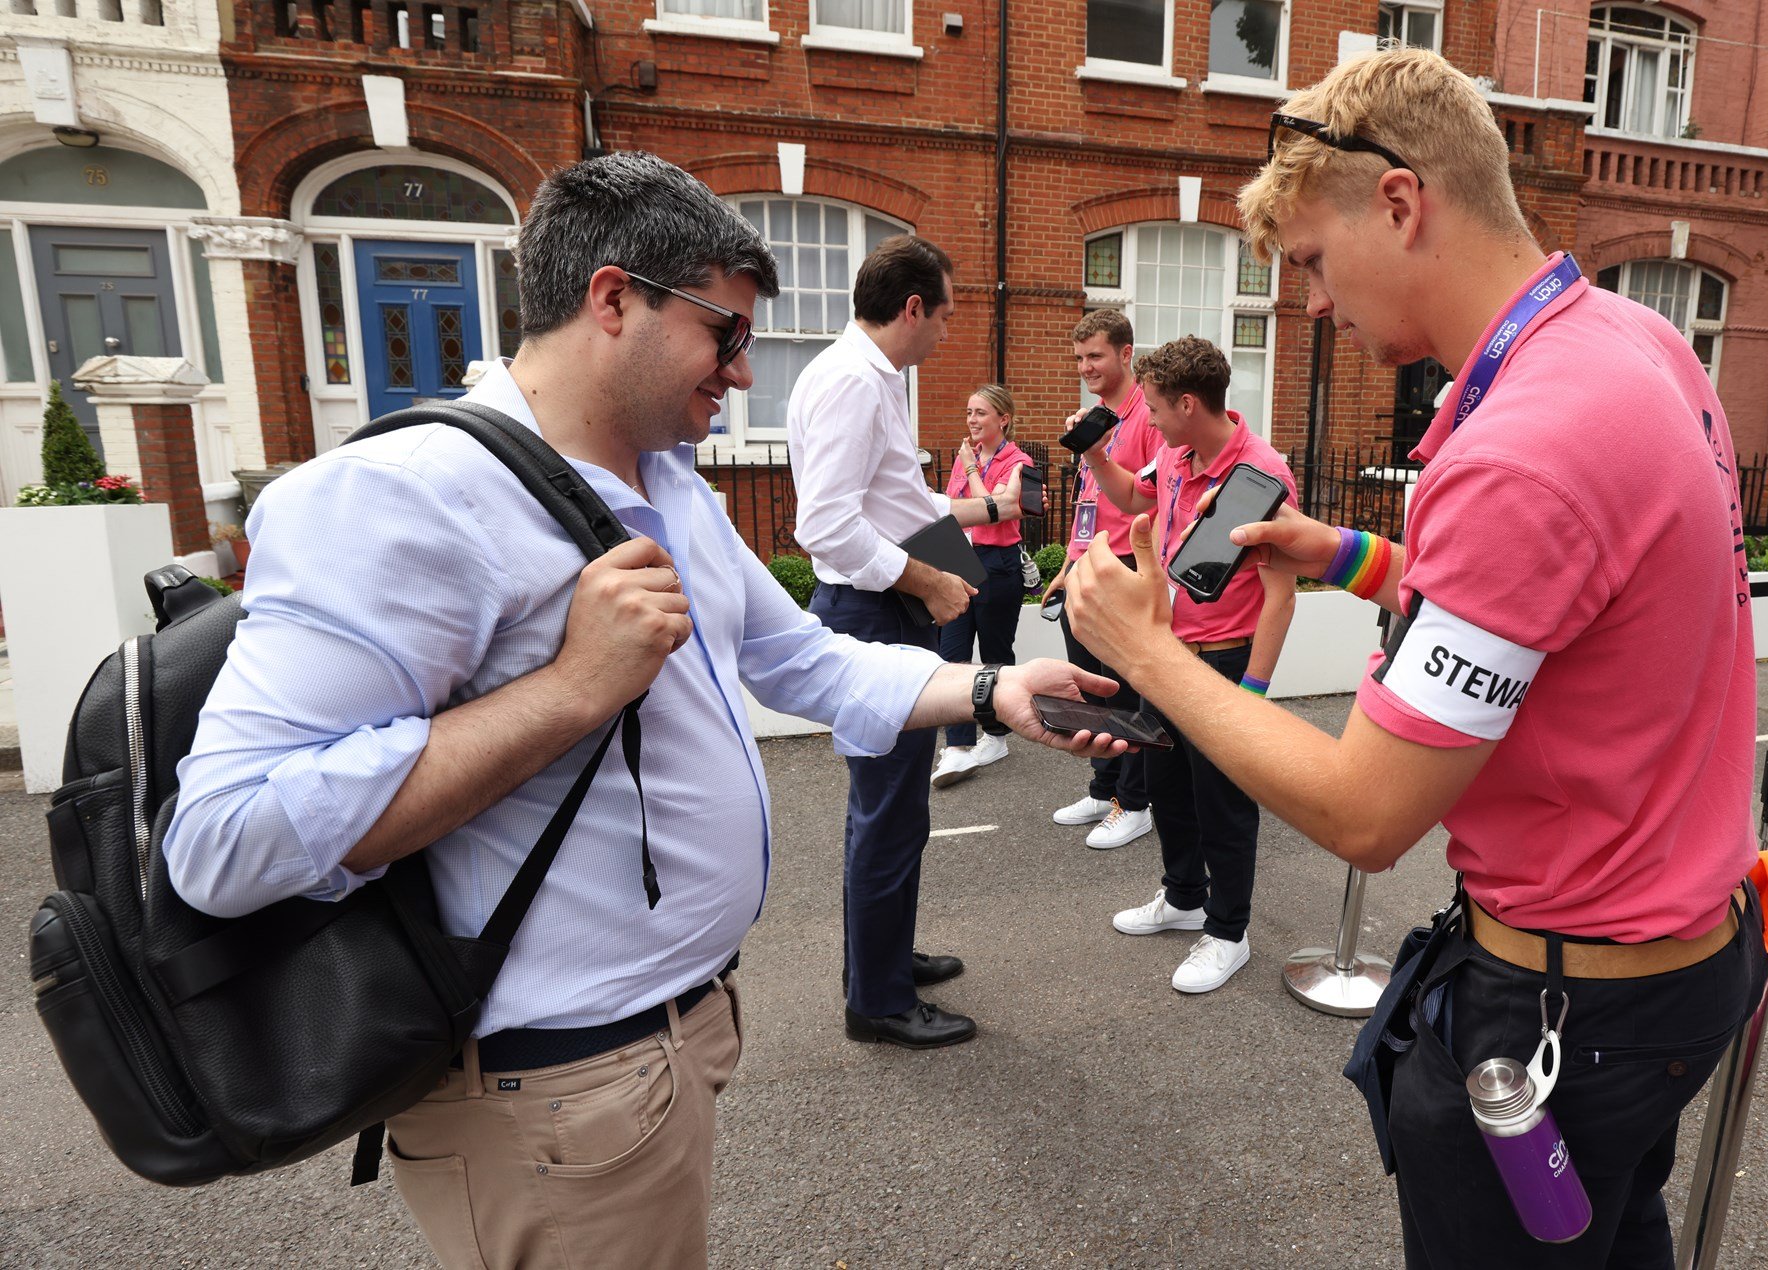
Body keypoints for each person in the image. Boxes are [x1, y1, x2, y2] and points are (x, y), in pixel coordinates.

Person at [162, 155, 1119, 1268]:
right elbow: (224, 840)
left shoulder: (667, 484)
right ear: (613, 299)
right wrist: (569, 688)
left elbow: (798, 657)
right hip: (549, 1088)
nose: (745, 375)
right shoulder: (398, 496)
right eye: (725, 333)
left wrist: (995, 691)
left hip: (665, 1043)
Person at [1066, 49, 1768, 1268]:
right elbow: (1568, 612)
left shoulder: (1523, 447)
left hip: (1565, 1009)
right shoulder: (1632, 342)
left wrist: (1150, 651)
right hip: (1681, 963)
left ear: (1399, 202)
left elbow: (1363, 812)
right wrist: (1339, 551)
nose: (1312, 305)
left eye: (1309, 262)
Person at [788, 234, 1031, 1049]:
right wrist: (929, 581)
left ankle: (882, 961)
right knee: (889, 813)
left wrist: (984, 515)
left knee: (897, 810)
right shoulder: (855, 382)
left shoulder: (869, 376)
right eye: (947, 315)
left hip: (880, 607)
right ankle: (879, 1002)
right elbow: (825, 523)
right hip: (873, 613)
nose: (948, 333)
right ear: (914, 306)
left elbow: (895, 498)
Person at [1076, 335, 1297, 993]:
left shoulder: (1263, 475)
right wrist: (1093, 454)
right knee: (1167, 787)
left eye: (1155, 407)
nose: (1148, 418)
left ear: (1189, 403)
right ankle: (1183, 899)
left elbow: (1282, 598)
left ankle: (1229, 932)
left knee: (1223, 804)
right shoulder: (1175, 454)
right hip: (1167, 655)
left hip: (1226, 664)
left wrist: (1252, 691)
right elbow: (1132, 501)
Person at [1042, 309, 1165, 850]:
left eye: (1095, 356)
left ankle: (1133, 804)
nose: (1085, 367)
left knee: (1129, 691)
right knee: (1090, 690)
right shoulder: (1092, 417)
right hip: (1087, 566)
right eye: (1079, 358)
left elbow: (1152, 497)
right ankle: (1103, 788)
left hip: (1129, 568)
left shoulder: (1149, 417)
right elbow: (1087, 502)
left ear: (1125, 354)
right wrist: (1067, 565)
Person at [932, 385, 1038, 787]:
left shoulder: (1020, 462)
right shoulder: (966, 459)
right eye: (969, 412)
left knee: (994, 655)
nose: (972, 420)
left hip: (998, 565)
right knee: (952, 653)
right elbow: (954, 509)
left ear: (1003, 419)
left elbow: (994, 512)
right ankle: (957, 748)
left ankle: (996, 735)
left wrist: (972, 470)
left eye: (980, 413)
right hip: (958, 562)